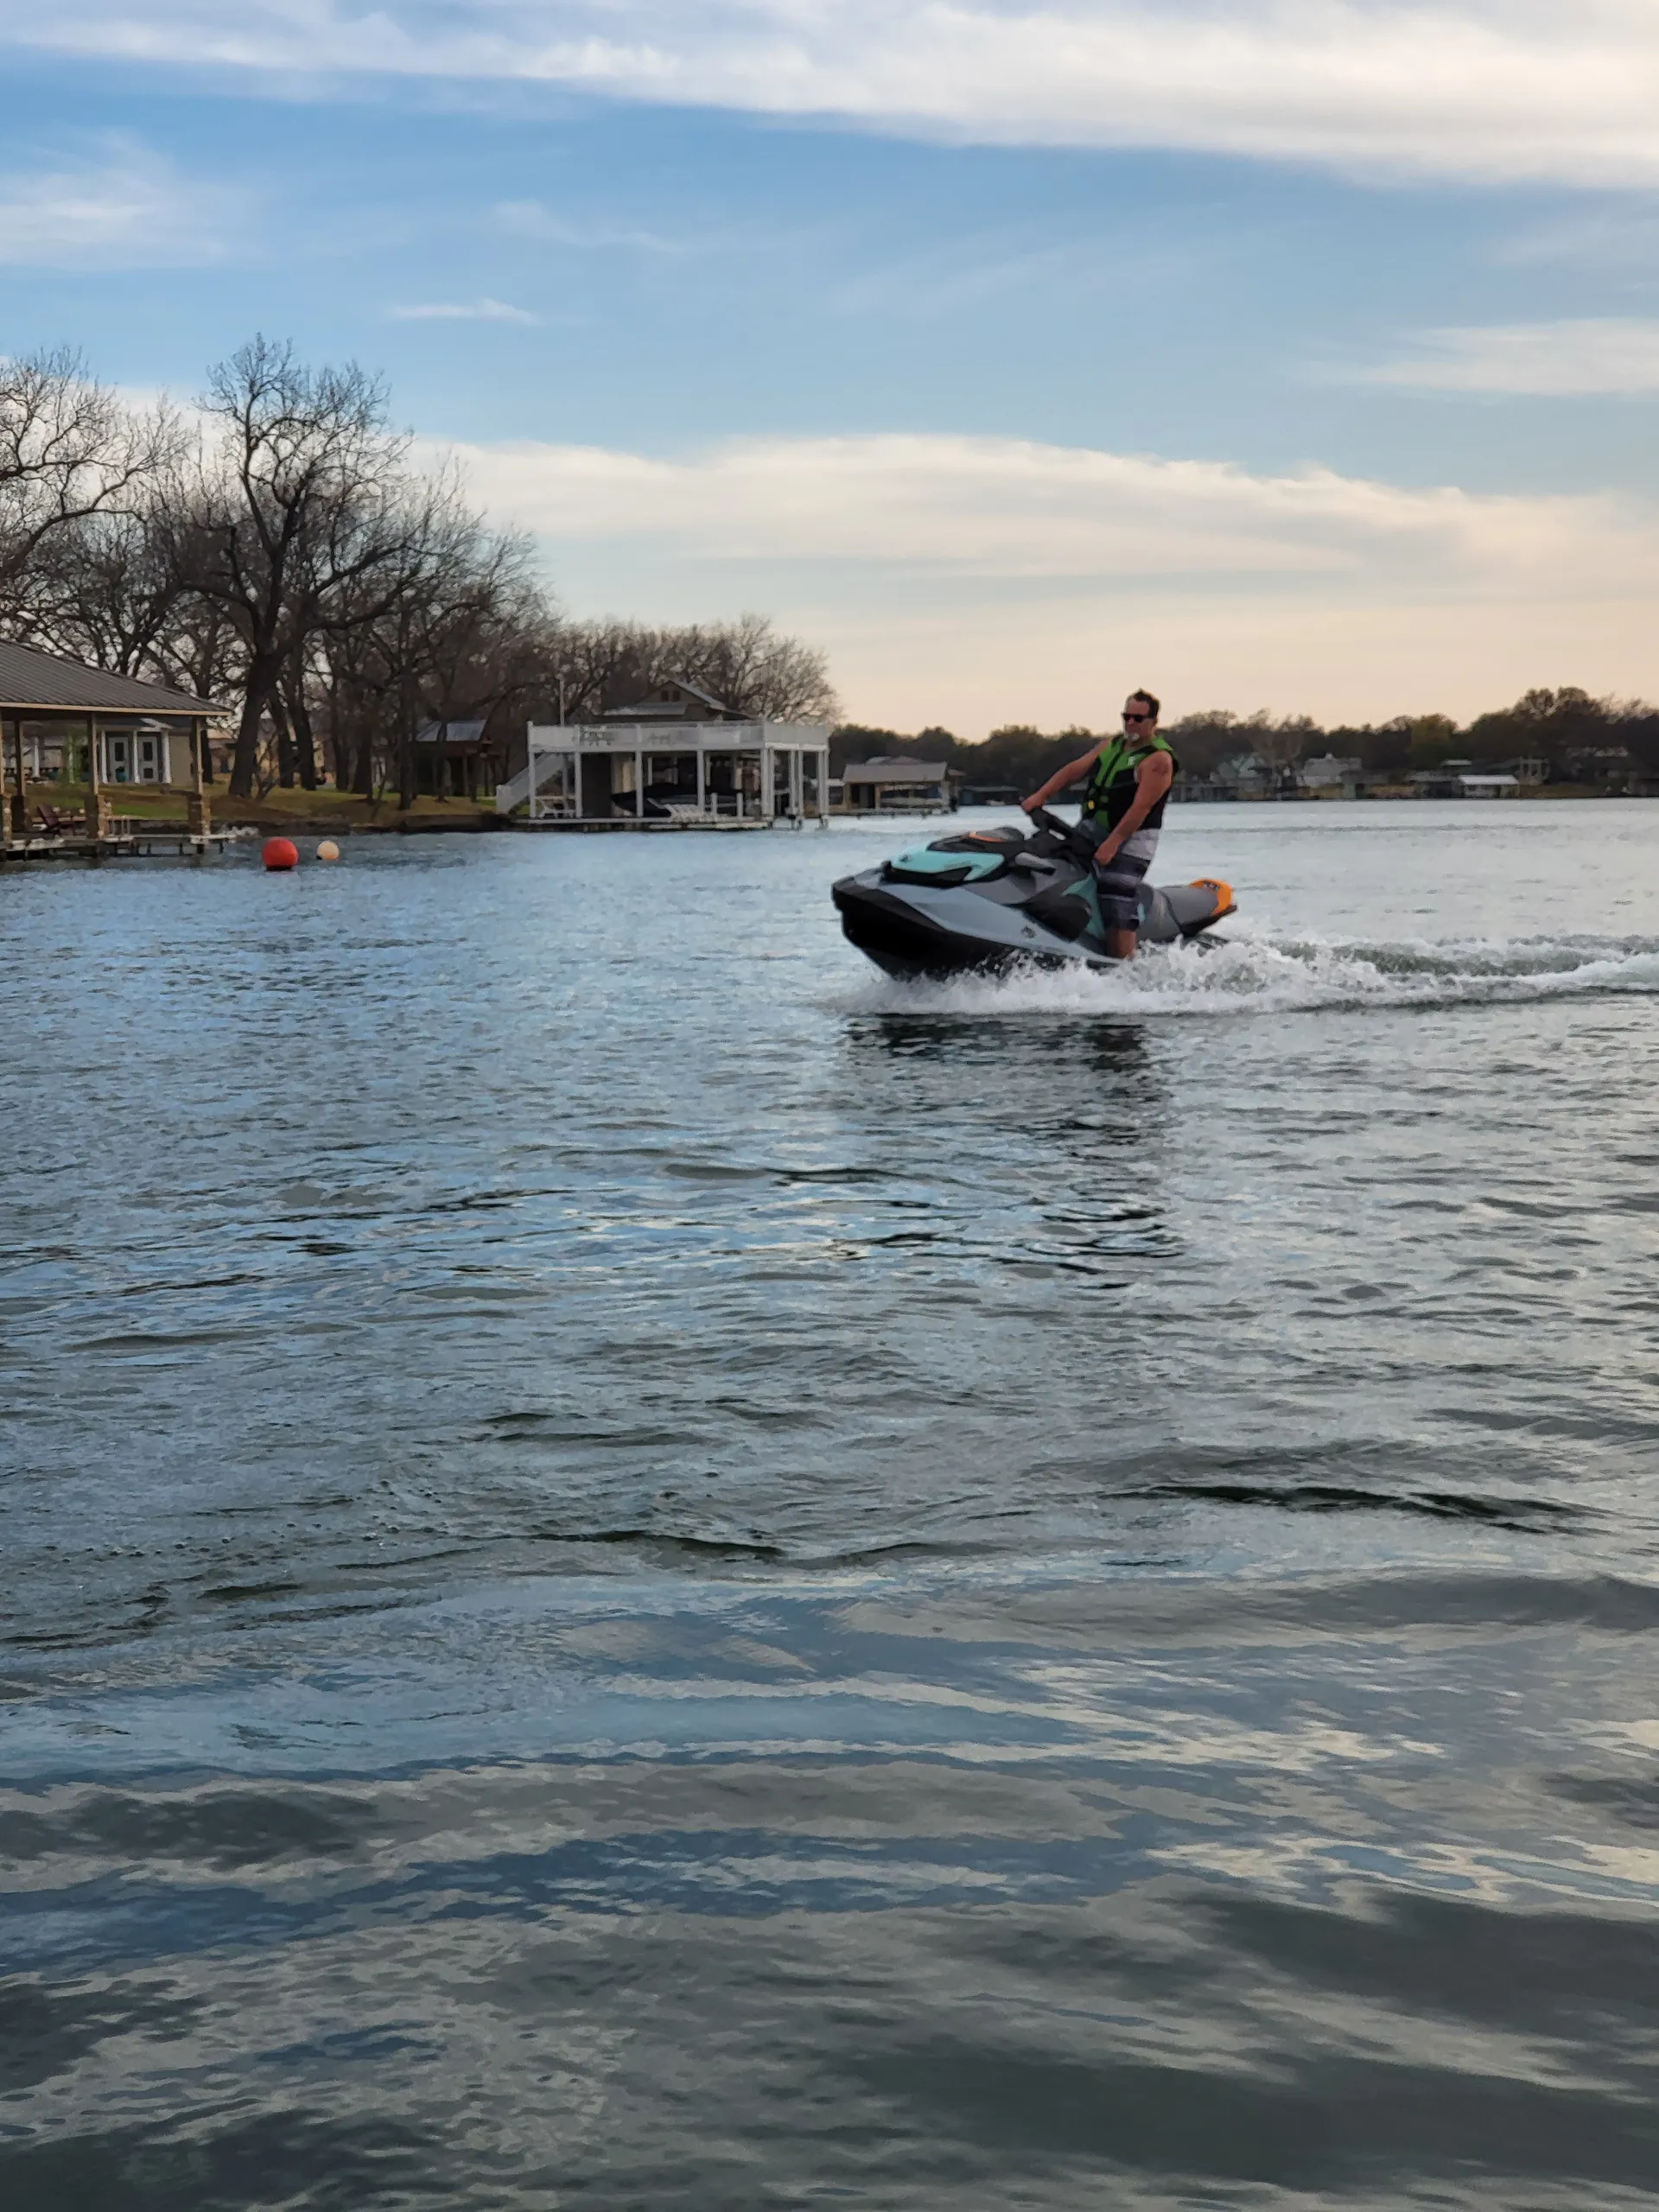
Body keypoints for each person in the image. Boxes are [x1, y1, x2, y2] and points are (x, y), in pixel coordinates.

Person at [1020, 690, 1175, 959]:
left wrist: (1112, 844)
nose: (1131, 723)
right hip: (1093, 829)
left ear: (1153, 722)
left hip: (1133, 838)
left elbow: (1142, 807)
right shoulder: (1110, 746)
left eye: (1138, 718)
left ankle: (1125, 967)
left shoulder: (1158, 760)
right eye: (1126, 717)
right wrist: (1041, 796)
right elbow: (1074, 770)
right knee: (1046, 861)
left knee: (1114, 891)